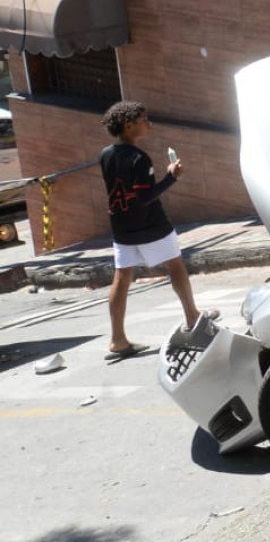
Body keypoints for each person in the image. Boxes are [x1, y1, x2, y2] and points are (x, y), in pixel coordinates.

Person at [98, 101, 212, 360]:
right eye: (144, 119)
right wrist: (171, 176)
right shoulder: (139, 158)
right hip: (150, 225)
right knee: (175, 266)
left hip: (121, 228)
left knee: (122, 276)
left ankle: (117, 339)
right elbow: (145, 197)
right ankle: (192, 317)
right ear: (129, 126)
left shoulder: (105, 155)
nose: (149, 123)